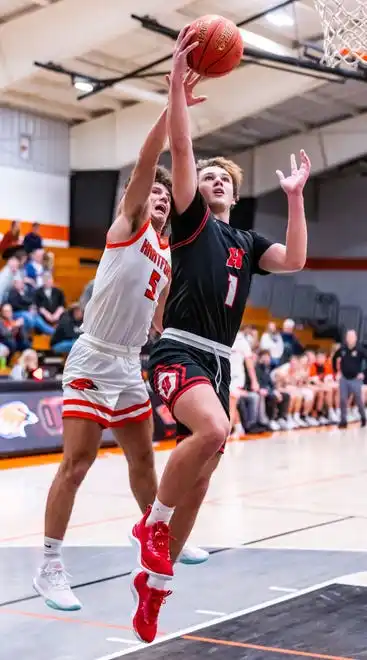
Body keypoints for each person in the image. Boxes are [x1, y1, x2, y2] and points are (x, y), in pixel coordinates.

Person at [129, 27, 311, 644]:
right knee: (213, 429)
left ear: (236, 192)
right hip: (179, 348)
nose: (215, 182)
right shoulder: (191, 224)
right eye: (207, 178)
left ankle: (153, 587)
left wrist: (294, 199)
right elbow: (181, 148)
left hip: (221, 360)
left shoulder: (249, 244)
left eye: (223, 179)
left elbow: (294, 261)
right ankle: (152, 524)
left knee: (202, 481)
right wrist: (177, 84)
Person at [32, 72, 207, 613]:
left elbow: (156, 317)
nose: (159, 196)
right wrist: (173, 101)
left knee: (143, 463)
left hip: (132, 363)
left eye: (164, 194)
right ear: (137, 199)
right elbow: (148, 160)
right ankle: (49, 564)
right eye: (152, 191)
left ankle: (155, 533)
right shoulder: (127, 227)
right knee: (78, 462)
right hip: (93, 354)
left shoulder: (167, 254)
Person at [333, 329, 367, 429]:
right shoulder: (342, 349)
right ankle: (343, 420)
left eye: (352, 336)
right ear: (346, 338)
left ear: (355, 338)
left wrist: (364, 373)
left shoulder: (360, 350)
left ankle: (363, 417)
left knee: (358, 400)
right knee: (343, 399)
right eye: (348, 336)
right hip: (344, 378)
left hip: (356, 379)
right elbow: (334, 358)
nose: (350, 338)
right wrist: (336, 371)